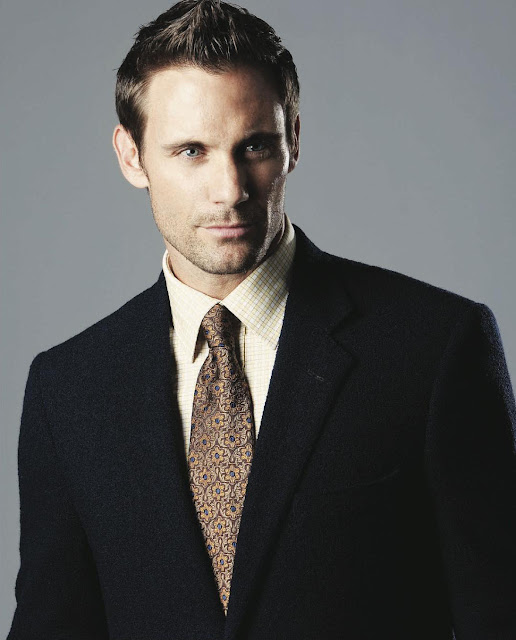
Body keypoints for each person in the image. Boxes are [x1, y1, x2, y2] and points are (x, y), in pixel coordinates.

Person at [7, 1, 516, 638]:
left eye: (254, 146)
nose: (230, 189)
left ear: (293, 140)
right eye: (191, 151)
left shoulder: (434, 348)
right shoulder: (68, 388)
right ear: (131, 156)